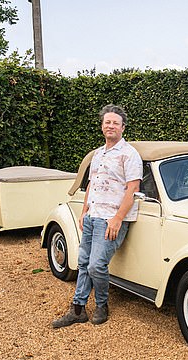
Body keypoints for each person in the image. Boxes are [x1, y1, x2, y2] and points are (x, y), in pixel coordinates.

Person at [52, 104, 142, 328]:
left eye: (115, 123)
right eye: (107, 122)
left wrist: (118, 219)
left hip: (111, 219)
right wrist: (84, 212)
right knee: (83, 262)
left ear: (123, 127)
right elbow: (91, 185)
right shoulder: (98, 154)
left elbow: (133, 188)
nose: (111, 126)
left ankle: (102, 304)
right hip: (93, 216)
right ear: (102, 127)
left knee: (96, 266)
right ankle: (78, 309)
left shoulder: (129, 154)